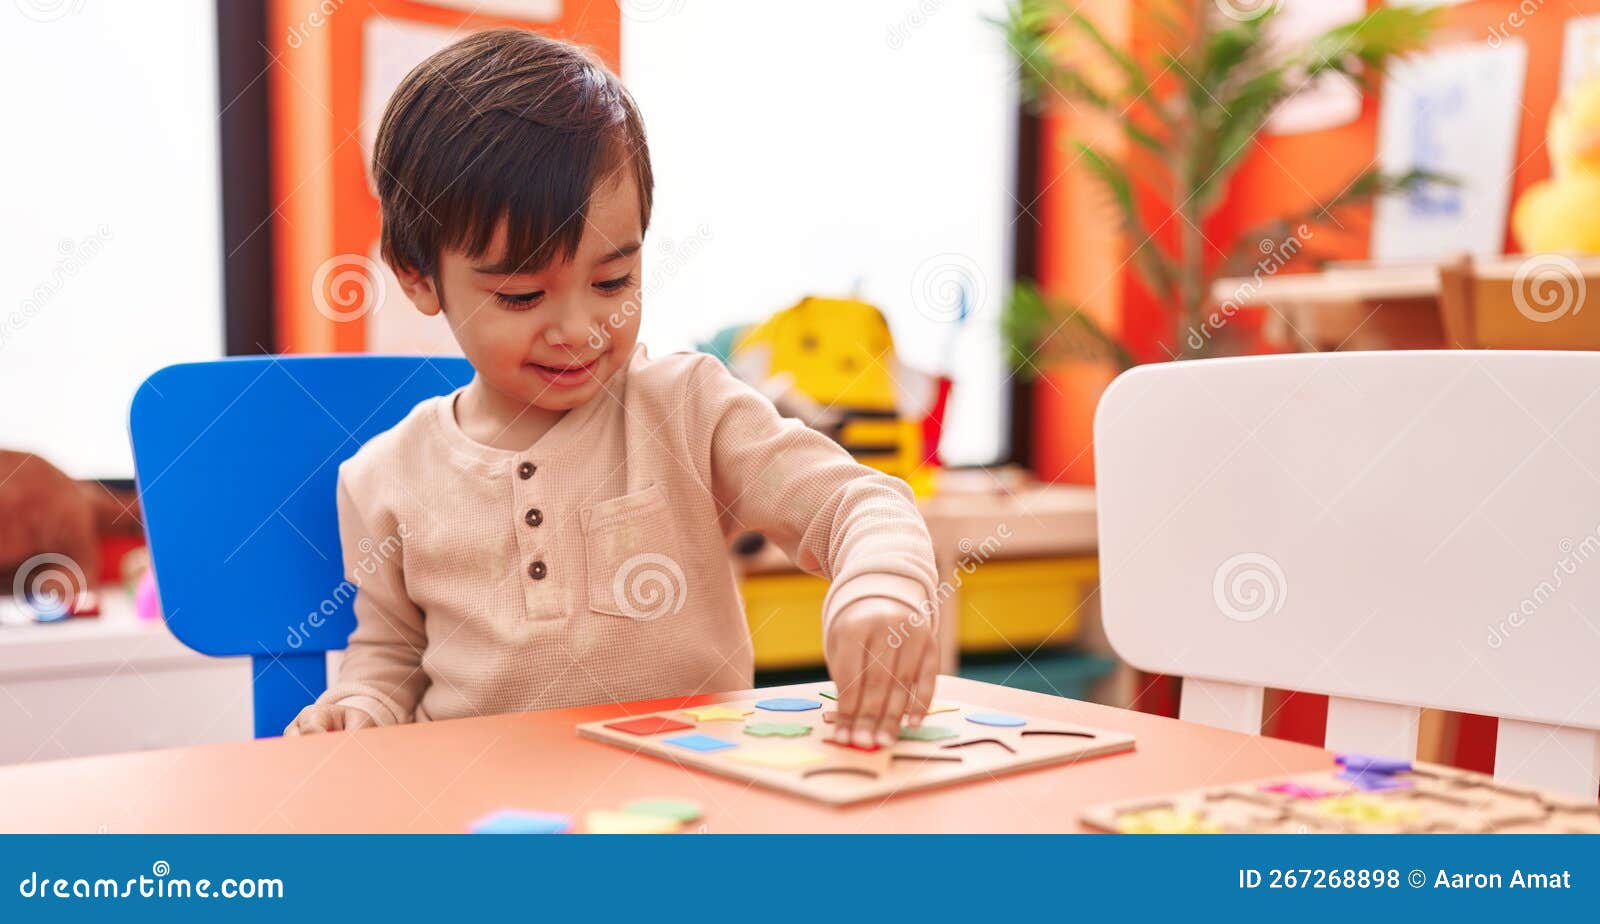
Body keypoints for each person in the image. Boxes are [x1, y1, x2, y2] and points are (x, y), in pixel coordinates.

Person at [285, 29, 939, 749]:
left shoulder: (688, 408)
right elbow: (391, 656)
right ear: (415, 274)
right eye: (523, 294)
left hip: (691, 805)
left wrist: (880, 583)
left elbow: (858, 504)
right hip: (485, 821)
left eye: (612, 282)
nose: (580, 329)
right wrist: (360, 707)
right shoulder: (383, 476)